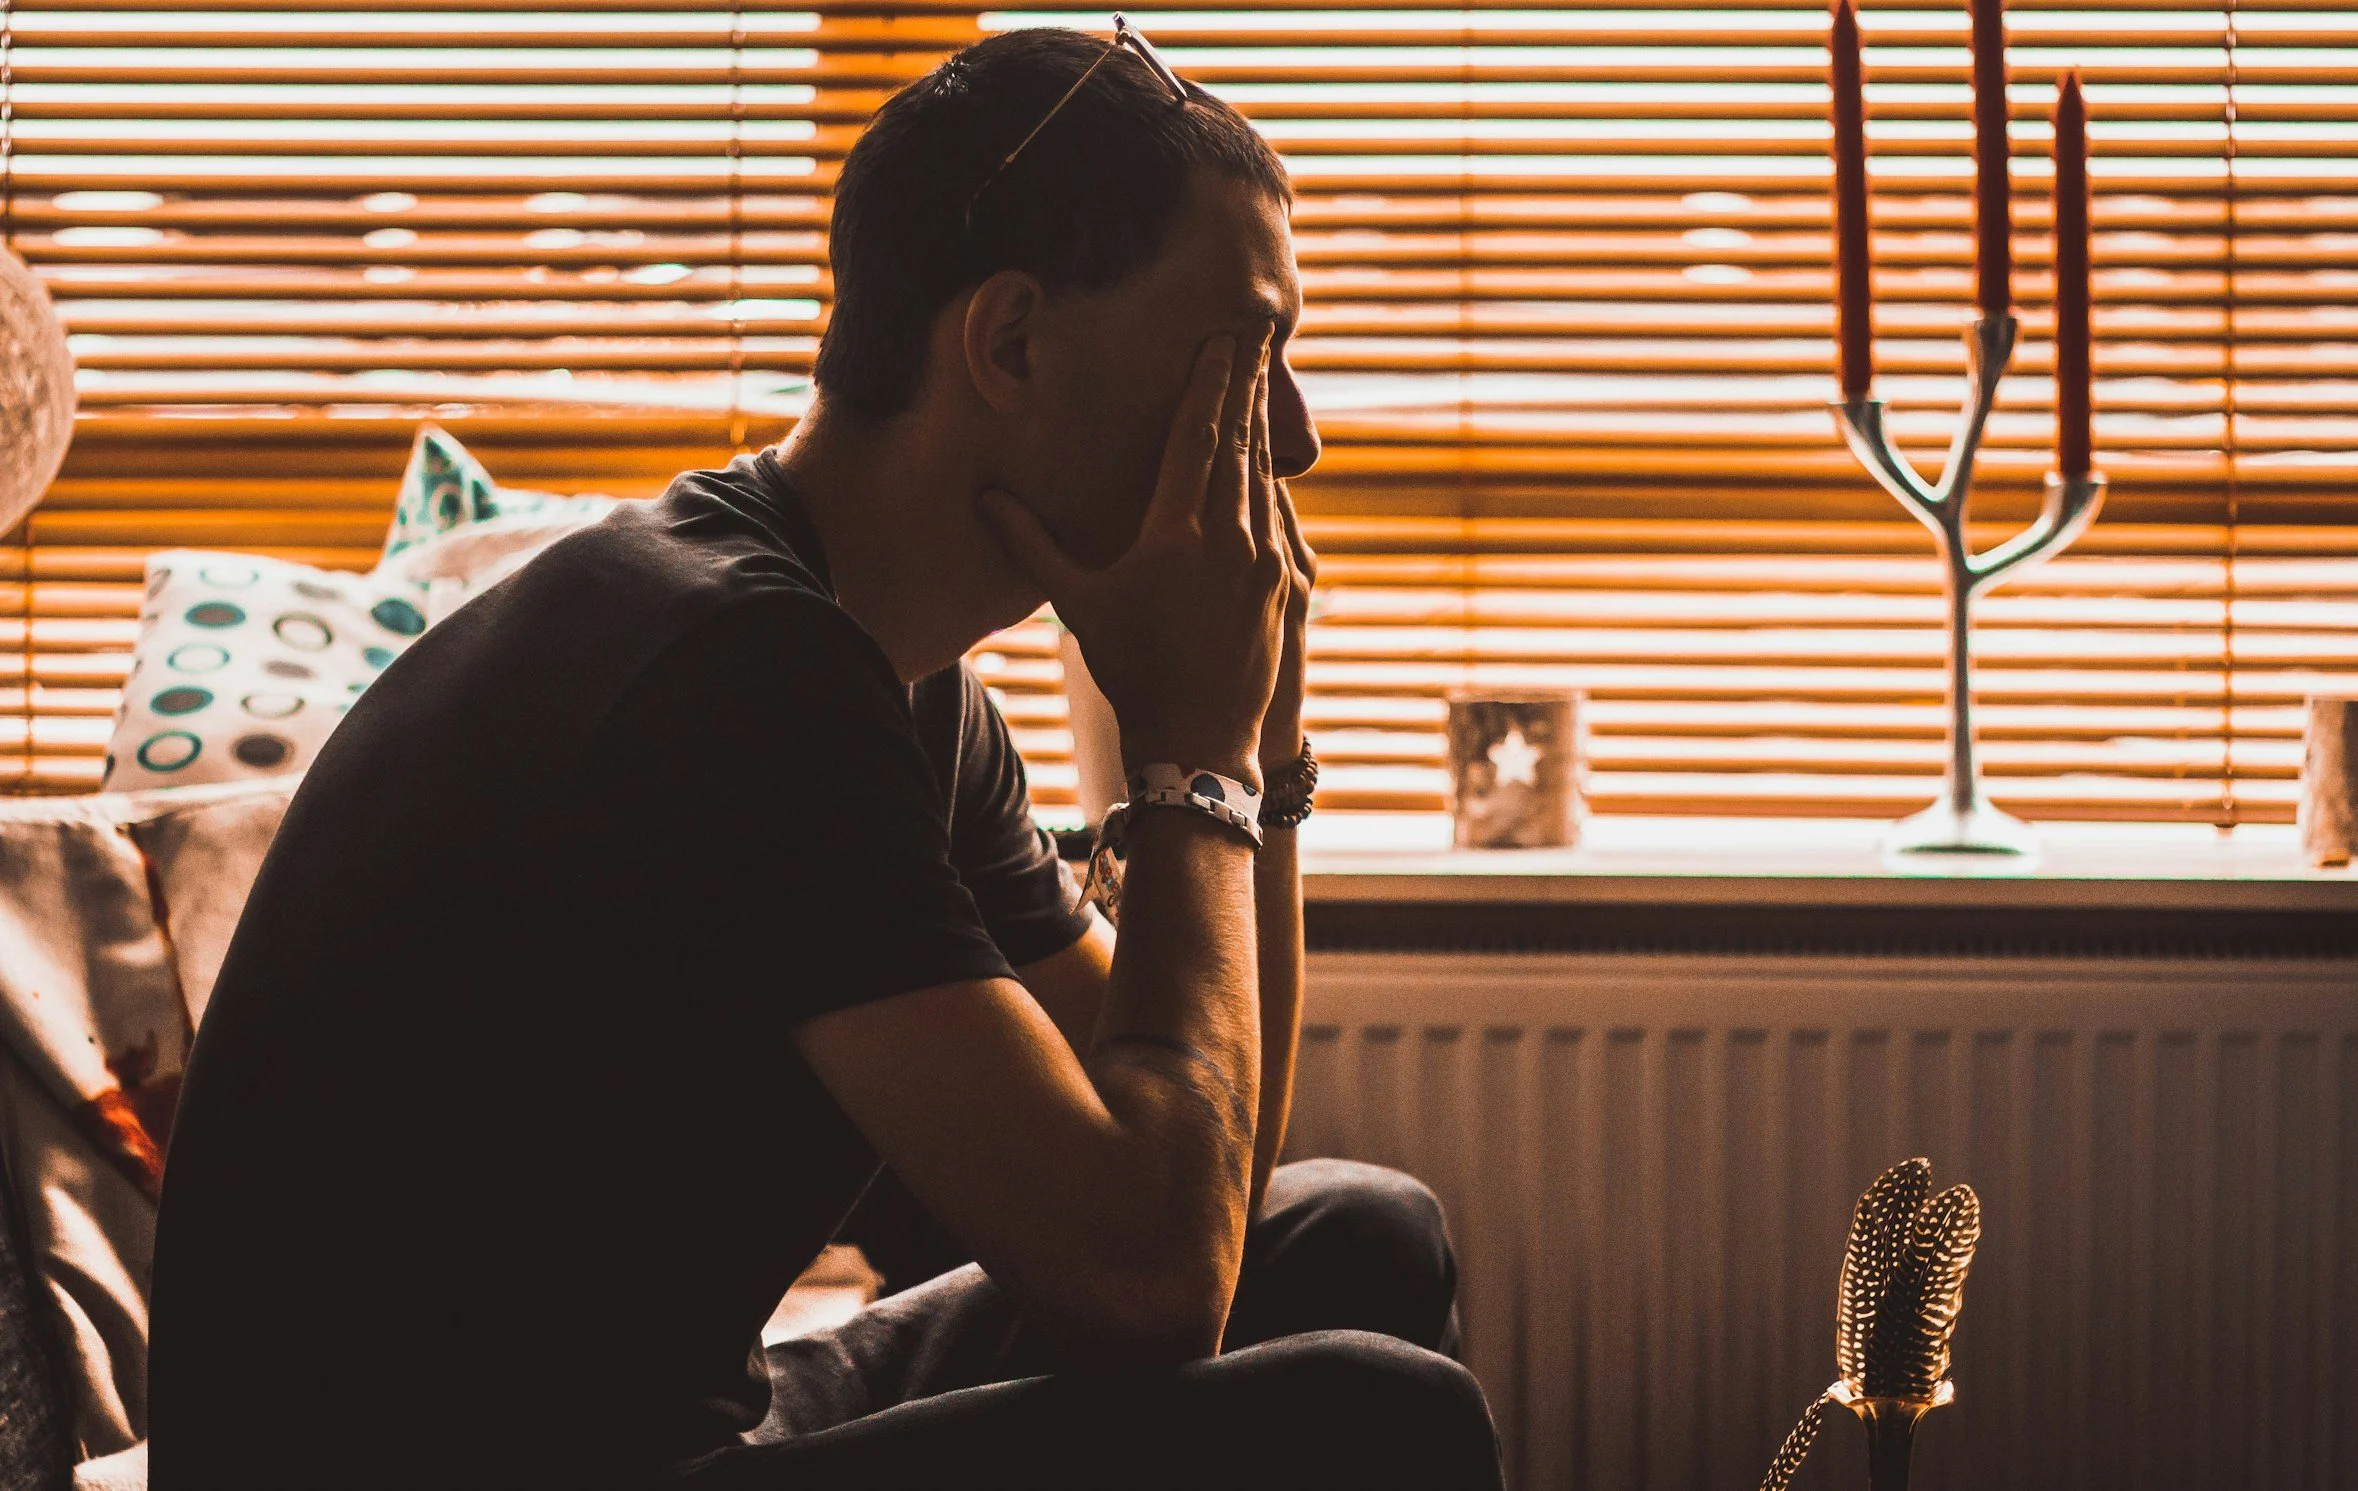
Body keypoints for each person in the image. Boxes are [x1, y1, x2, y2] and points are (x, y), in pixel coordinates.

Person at [148, 25, 1506, 1491]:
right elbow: (1149, 1274)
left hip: (664, 1432)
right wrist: (1192, 758)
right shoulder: (733, 671)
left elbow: (1204, 1183)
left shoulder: (898, 691)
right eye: (1242, 354)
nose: (1291, 440)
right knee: (1382, 1413)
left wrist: (1257, 751)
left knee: (1358, 1228)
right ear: (1010, 342)